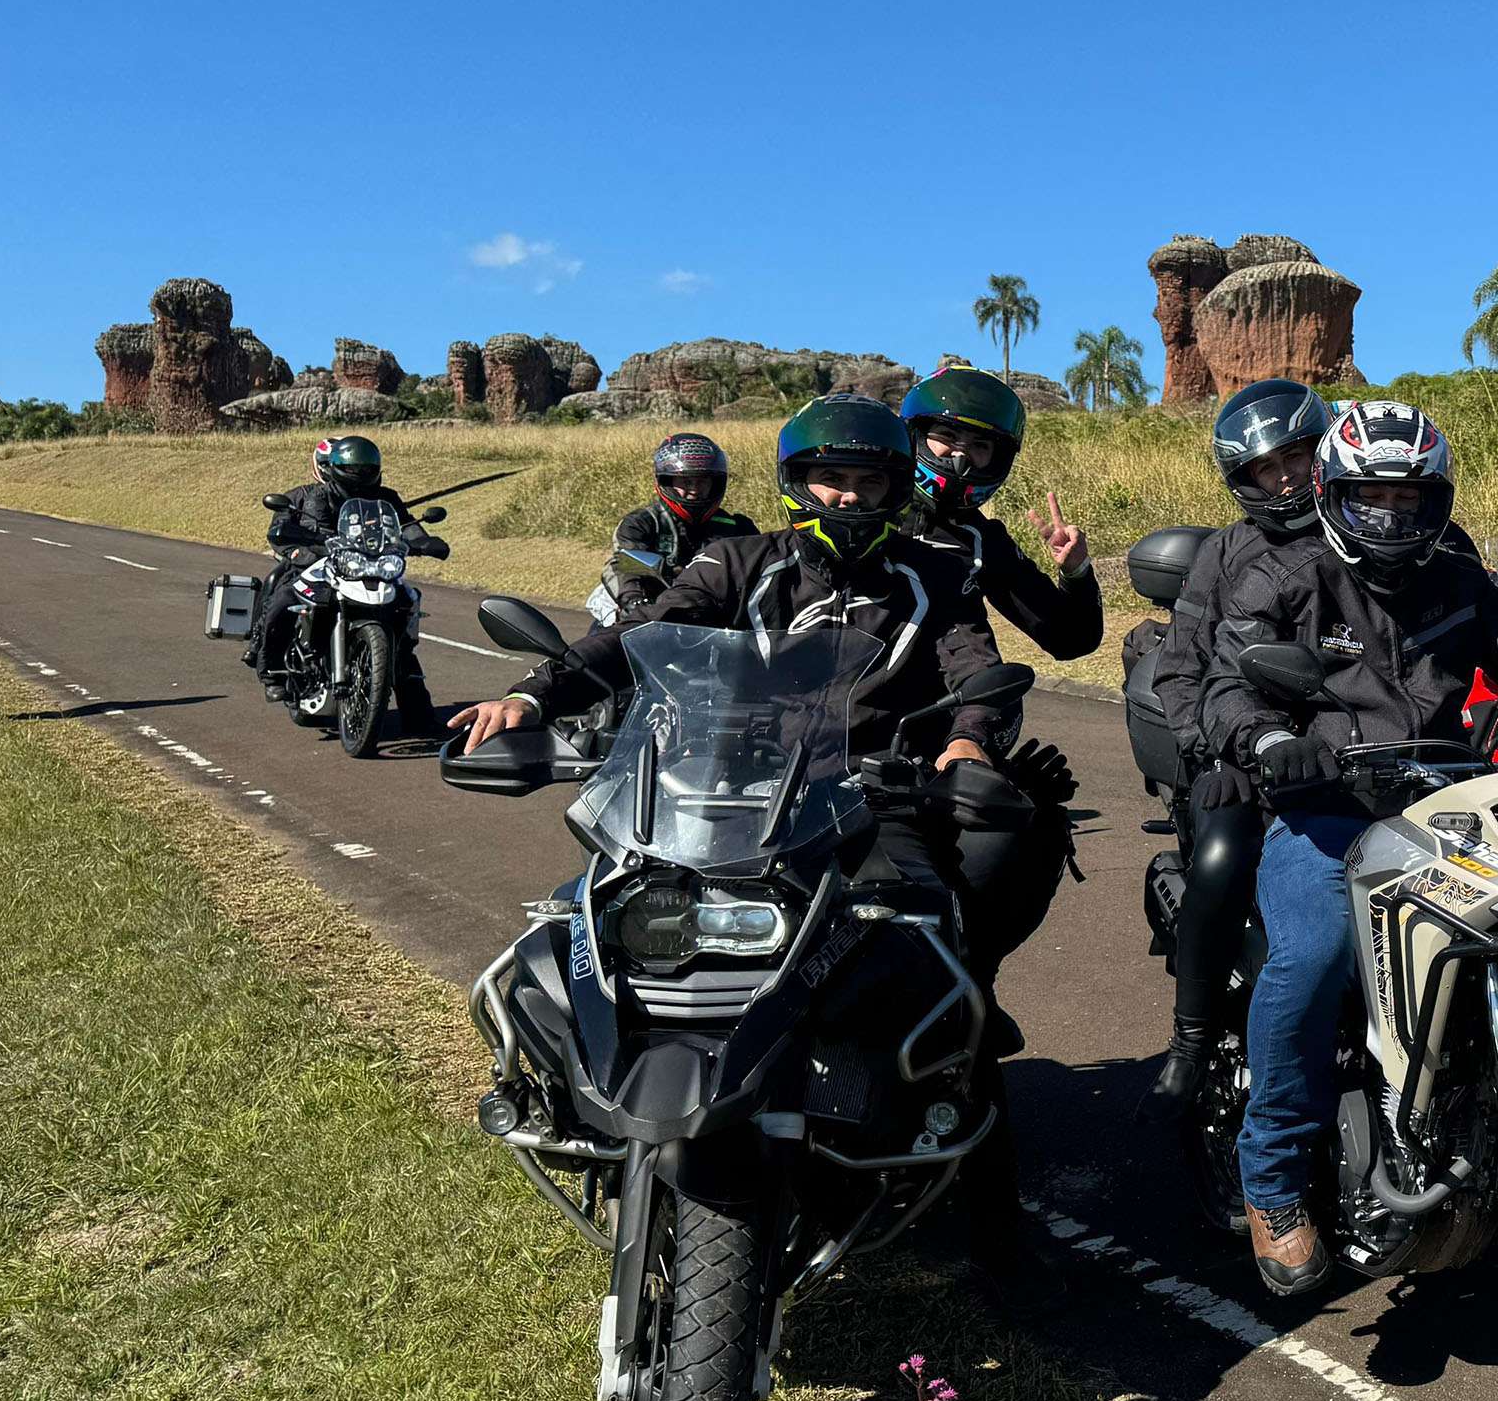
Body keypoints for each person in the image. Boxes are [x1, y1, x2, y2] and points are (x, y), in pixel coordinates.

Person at [447, 392, 1100, 1306]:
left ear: (893, 486)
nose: (845, 496)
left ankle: (994, 1232)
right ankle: (586, 1101)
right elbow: (639, 636)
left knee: (944, 975)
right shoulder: (736, 561)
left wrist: (965, 743)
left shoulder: (935, 575)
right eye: (828, 478)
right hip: (721, 791)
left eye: (864, 480)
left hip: (872, 802)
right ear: (797, 483)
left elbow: (976, 672)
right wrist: (533, 694)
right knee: (604, 923)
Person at [1199, 400, 1498, 1294]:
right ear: (1335, 495)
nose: (1390, 515)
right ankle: (1272, 1180)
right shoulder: (1286, 575)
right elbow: (1227, 685)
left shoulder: (1461, 578)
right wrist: (1271, 739)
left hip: (1453, 806)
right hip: (1330, 809)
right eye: (1371, 496)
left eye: (1409, 497)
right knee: (1318, 953)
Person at [1136, 378, 1331, 1120]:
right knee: (1222, 855)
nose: (1284, 480)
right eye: (1264, 469)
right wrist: (1213, 755)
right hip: (1244, 750)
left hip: (1361, 747)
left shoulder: (1378, 522)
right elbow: (1181, 669)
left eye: (1296, 457)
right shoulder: (1226, 553)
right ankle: (1191, 1037)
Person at [243, 433, 449, 681]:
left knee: (407, 598)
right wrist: (310, 544)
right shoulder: (318, 495)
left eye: (364, 467)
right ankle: (271, 666)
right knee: (284, 595)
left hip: (372, 564)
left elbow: (405, 524)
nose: (359, 472)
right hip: (327, 561)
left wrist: (424, 542)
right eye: (352, 467)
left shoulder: (386, 497)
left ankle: (406, 668)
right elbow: (315, 527)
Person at [597, 431, 756, 619]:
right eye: (687, 481)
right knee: (608, 632)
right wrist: (633, 601)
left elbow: (762, 569)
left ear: (715, 483)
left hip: (717, 619)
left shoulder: (738, 527)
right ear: (667, 480)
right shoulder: (641, 523)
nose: (695, 489)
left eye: (703, 481)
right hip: (654, 614)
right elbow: (622, 567)